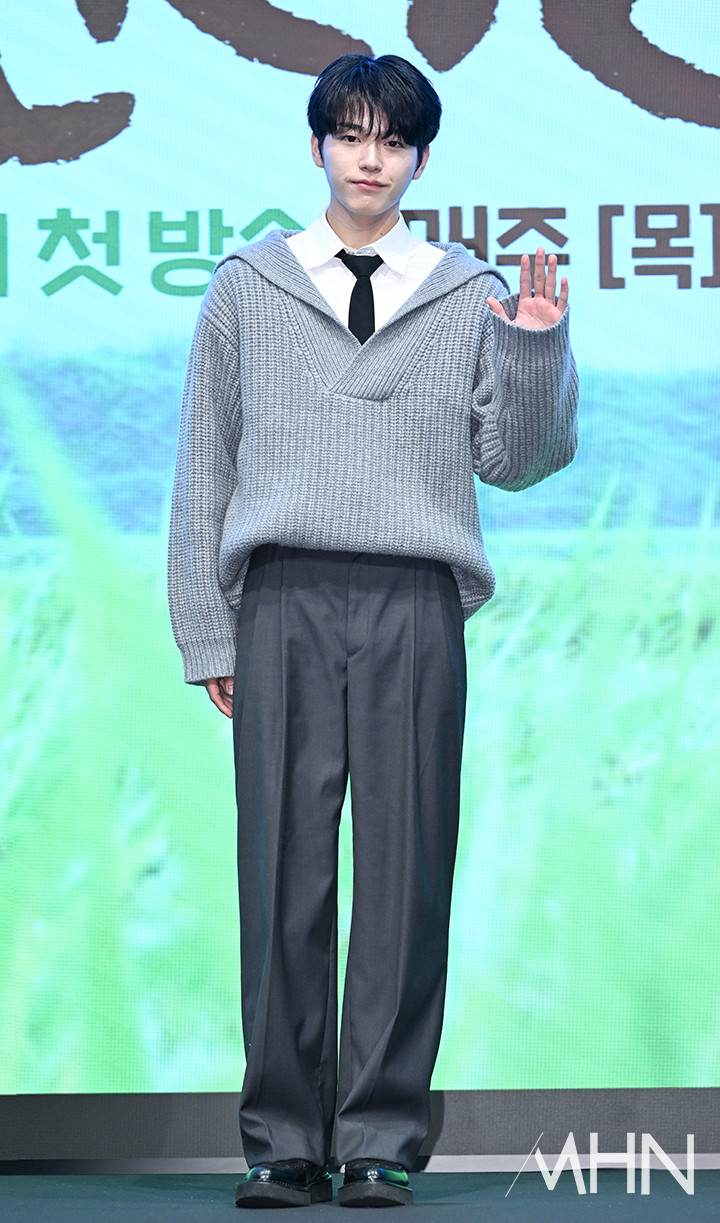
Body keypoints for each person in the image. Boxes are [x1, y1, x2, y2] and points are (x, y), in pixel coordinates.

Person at [168, 53, 578, 1209]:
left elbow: (521, 460)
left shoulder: (467, 290)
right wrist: (209, 630)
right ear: (317, 148)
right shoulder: (248, 286)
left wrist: (535, 343)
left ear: (420, 160)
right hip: (281, 595)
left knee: (406, 872)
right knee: (282, 872)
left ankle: (381, 1136)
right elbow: (204, 464)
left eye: (392, 140)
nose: (369, 157)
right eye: (349, 134)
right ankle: (282, 1138)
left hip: (415, 600)